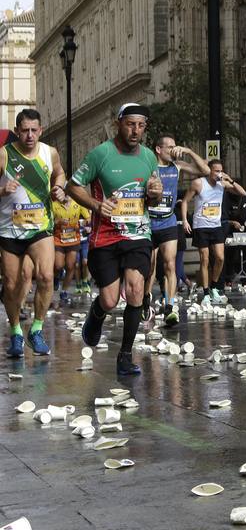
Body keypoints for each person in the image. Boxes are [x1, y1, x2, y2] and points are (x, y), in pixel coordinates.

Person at [67, 103, 163, 376]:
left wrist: (155, 192)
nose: (135, 131)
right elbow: (72, 186)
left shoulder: (148, 157)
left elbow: (153, 195)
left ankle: (124, 355)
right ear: (119, 123)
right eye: (130, 124)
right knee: (110, 301)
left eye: (141, 125)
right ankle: (96, 315)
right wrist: (96, 205)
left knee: (135, 289)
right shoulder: (101, 154)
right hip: (105, 237)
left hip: (138, 234)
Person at [1, 109, 66, 358]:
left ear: (41, 130)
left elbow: (59, 173)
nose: (29, 135)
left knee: (47, 276)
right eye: (25, 130)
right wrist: (3, 190)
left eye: (34, 130)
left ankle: (36, 330)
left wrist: (59, 187)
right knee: (11, 284)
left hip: (41, 227)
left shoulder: (49, 153)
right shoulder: (4, 156)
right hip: (9, 230)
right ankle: (16, 332)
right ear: (17, 131)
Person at [148, 135, 208, 327]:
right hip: (149, 223)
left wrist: (189, 151)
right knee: (149, 267)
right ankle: (145, 302)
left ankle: (169, 307)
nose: (174, 150)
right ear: (158, 149)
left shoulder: (178, 165)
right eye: (170, 147)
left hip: (168, 222)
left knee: (170, 265)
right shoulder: (149, 166)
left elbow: (205, 170)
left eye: (176, 146)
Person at [186, 160, 246, 299]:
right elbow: (185, 202)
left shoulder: (222, 184)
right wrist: (185, 220)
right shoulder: (199, 183)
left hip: (216, 225)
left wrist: (229, 179)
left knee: (220, 257)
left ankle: (213, 286)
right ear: (209, 171)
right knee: (205, 259)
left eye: (220, 171)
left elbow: (242, 192)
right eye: (216, 171)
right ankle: (206, 292)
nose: (218, 173)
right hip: (201, 225)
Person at [52, 193, 88, 306]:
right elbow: (48, 221)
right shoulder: (54, 204)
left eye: (67, 192)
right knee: (58, 265)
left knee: (70, 266)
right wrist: (57, 222)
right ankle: (56, 277)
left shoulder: (77, 203)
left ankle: (64, 291)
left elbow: (88, 217)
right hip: (58, 239)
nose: (66, 195)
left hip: (73, 239)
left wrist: (83, 223)